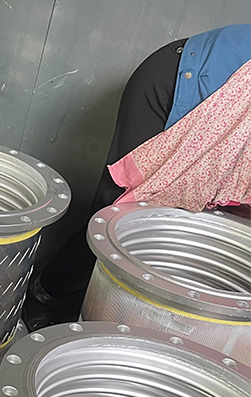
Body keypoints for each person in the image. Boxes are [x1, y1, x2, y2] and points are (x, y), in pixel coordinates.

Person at [24, 24, 251, 329]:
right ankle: (44, 294)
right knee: (119, 216)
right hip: (176, 81)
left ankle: (89, 312)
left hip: (217, 123)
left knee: (184, 233)